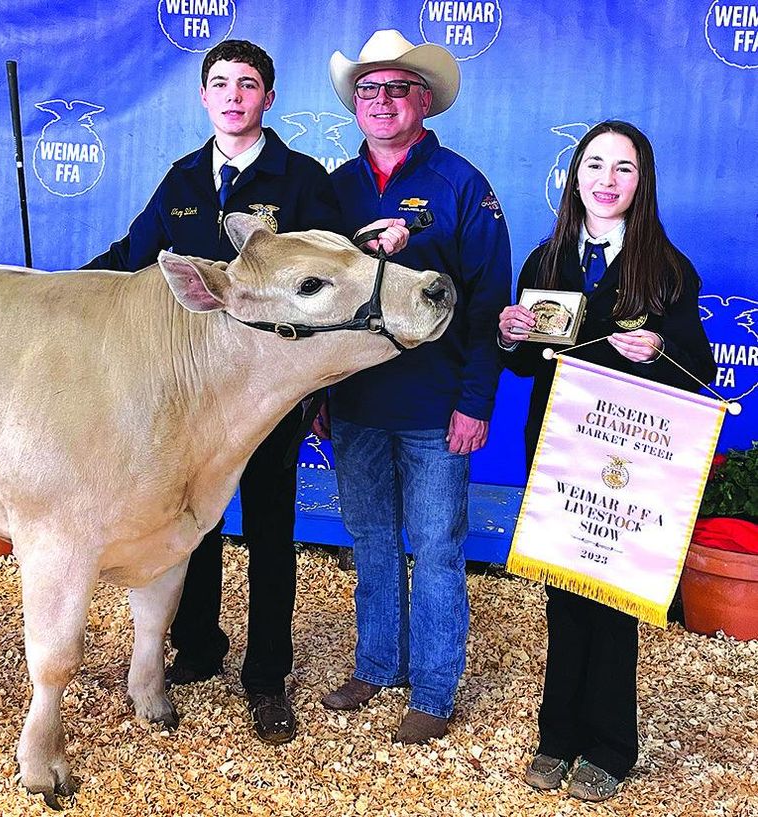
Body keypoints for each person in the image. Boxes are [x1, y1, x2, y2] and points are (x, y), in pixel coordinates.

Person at [86, 39, 407, 745]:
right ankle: (198, 646)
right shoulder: (181, 181)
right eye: (221, 83)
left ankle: (266, 676)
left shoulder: (301, 181)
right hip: (191, 403)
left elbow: (336, 281)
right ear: (204, 96)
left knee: (268, 532)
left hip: (270, 400)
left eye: (249, 84)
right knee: (189, 525)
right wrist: (56, 290)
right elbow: (131, 258)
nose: (234, 96)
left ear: (268, 98)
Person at [498, 120, 716, 801]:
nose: (606, 179)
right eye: (595, 164)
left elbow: (701, 370)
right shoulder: (546, 261)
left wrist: (660, 353)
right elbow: (526, 364)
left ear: (642, 181)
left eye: (623, 168)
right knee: (563, 596)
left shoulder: (669, 271)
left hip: (628, 460)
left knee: (613, 601)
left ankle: (611, 748)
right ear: (575, 175)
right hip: (560, 451)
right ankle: (556, 736)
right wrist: (508, 335)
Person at [317, 29, 511, 746]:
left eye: (397, 88)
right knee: (370, 538)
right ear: (355, 103)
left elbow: (491, 299)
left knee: (435, 545)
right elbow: (315, 303)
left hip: (436, 405)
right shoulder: (334, 188)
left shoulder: (463, 183)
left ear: (423, 99)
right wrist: (319, 396)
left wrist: (475, 400)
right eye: (369, 89)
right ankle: (376, 663)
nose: (382, 101)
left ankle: (432, 687)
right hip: (358, 398)